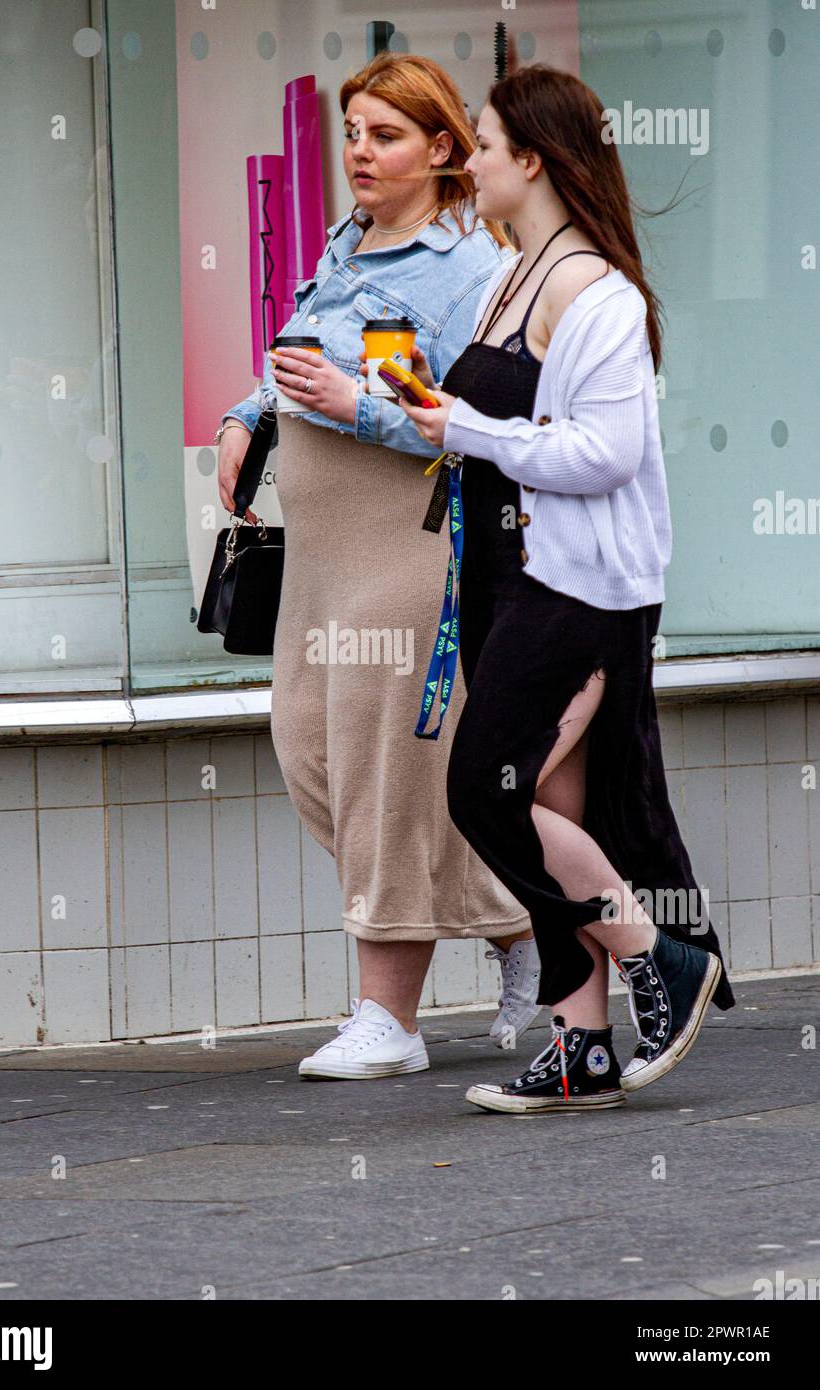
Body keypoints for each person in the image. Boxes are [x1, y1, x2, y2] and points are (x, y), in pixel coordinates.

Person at [395, 64, 735, 1114]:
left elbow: (608, 450)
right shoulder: (512, 270)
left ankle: (657, 954)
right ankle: (579, 1042)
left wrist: (467, 429)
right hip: (511, 574)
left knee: (483, 789)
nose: (472, 162)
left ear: (532, 160)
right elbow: (503, 422)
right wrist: (416, 404)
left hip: (580, 589)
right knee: (542, 799)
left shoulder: (596, 292)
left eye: (486, 146)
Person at [217, 54, 542, 1080]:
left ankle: (386, 1018)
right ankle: (513, 914)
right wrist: (248, 414)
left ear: (443, 151)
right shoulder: (346, 245)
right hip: (322, 558)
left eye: (385, 135)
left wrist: (348, 402)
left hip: (407, 547)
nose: (358, 151)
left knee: (379, 772)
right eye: (352, 131)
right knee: (309, 749)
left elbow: (479, 428)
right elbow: (293, 357)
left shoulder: (472, 274)